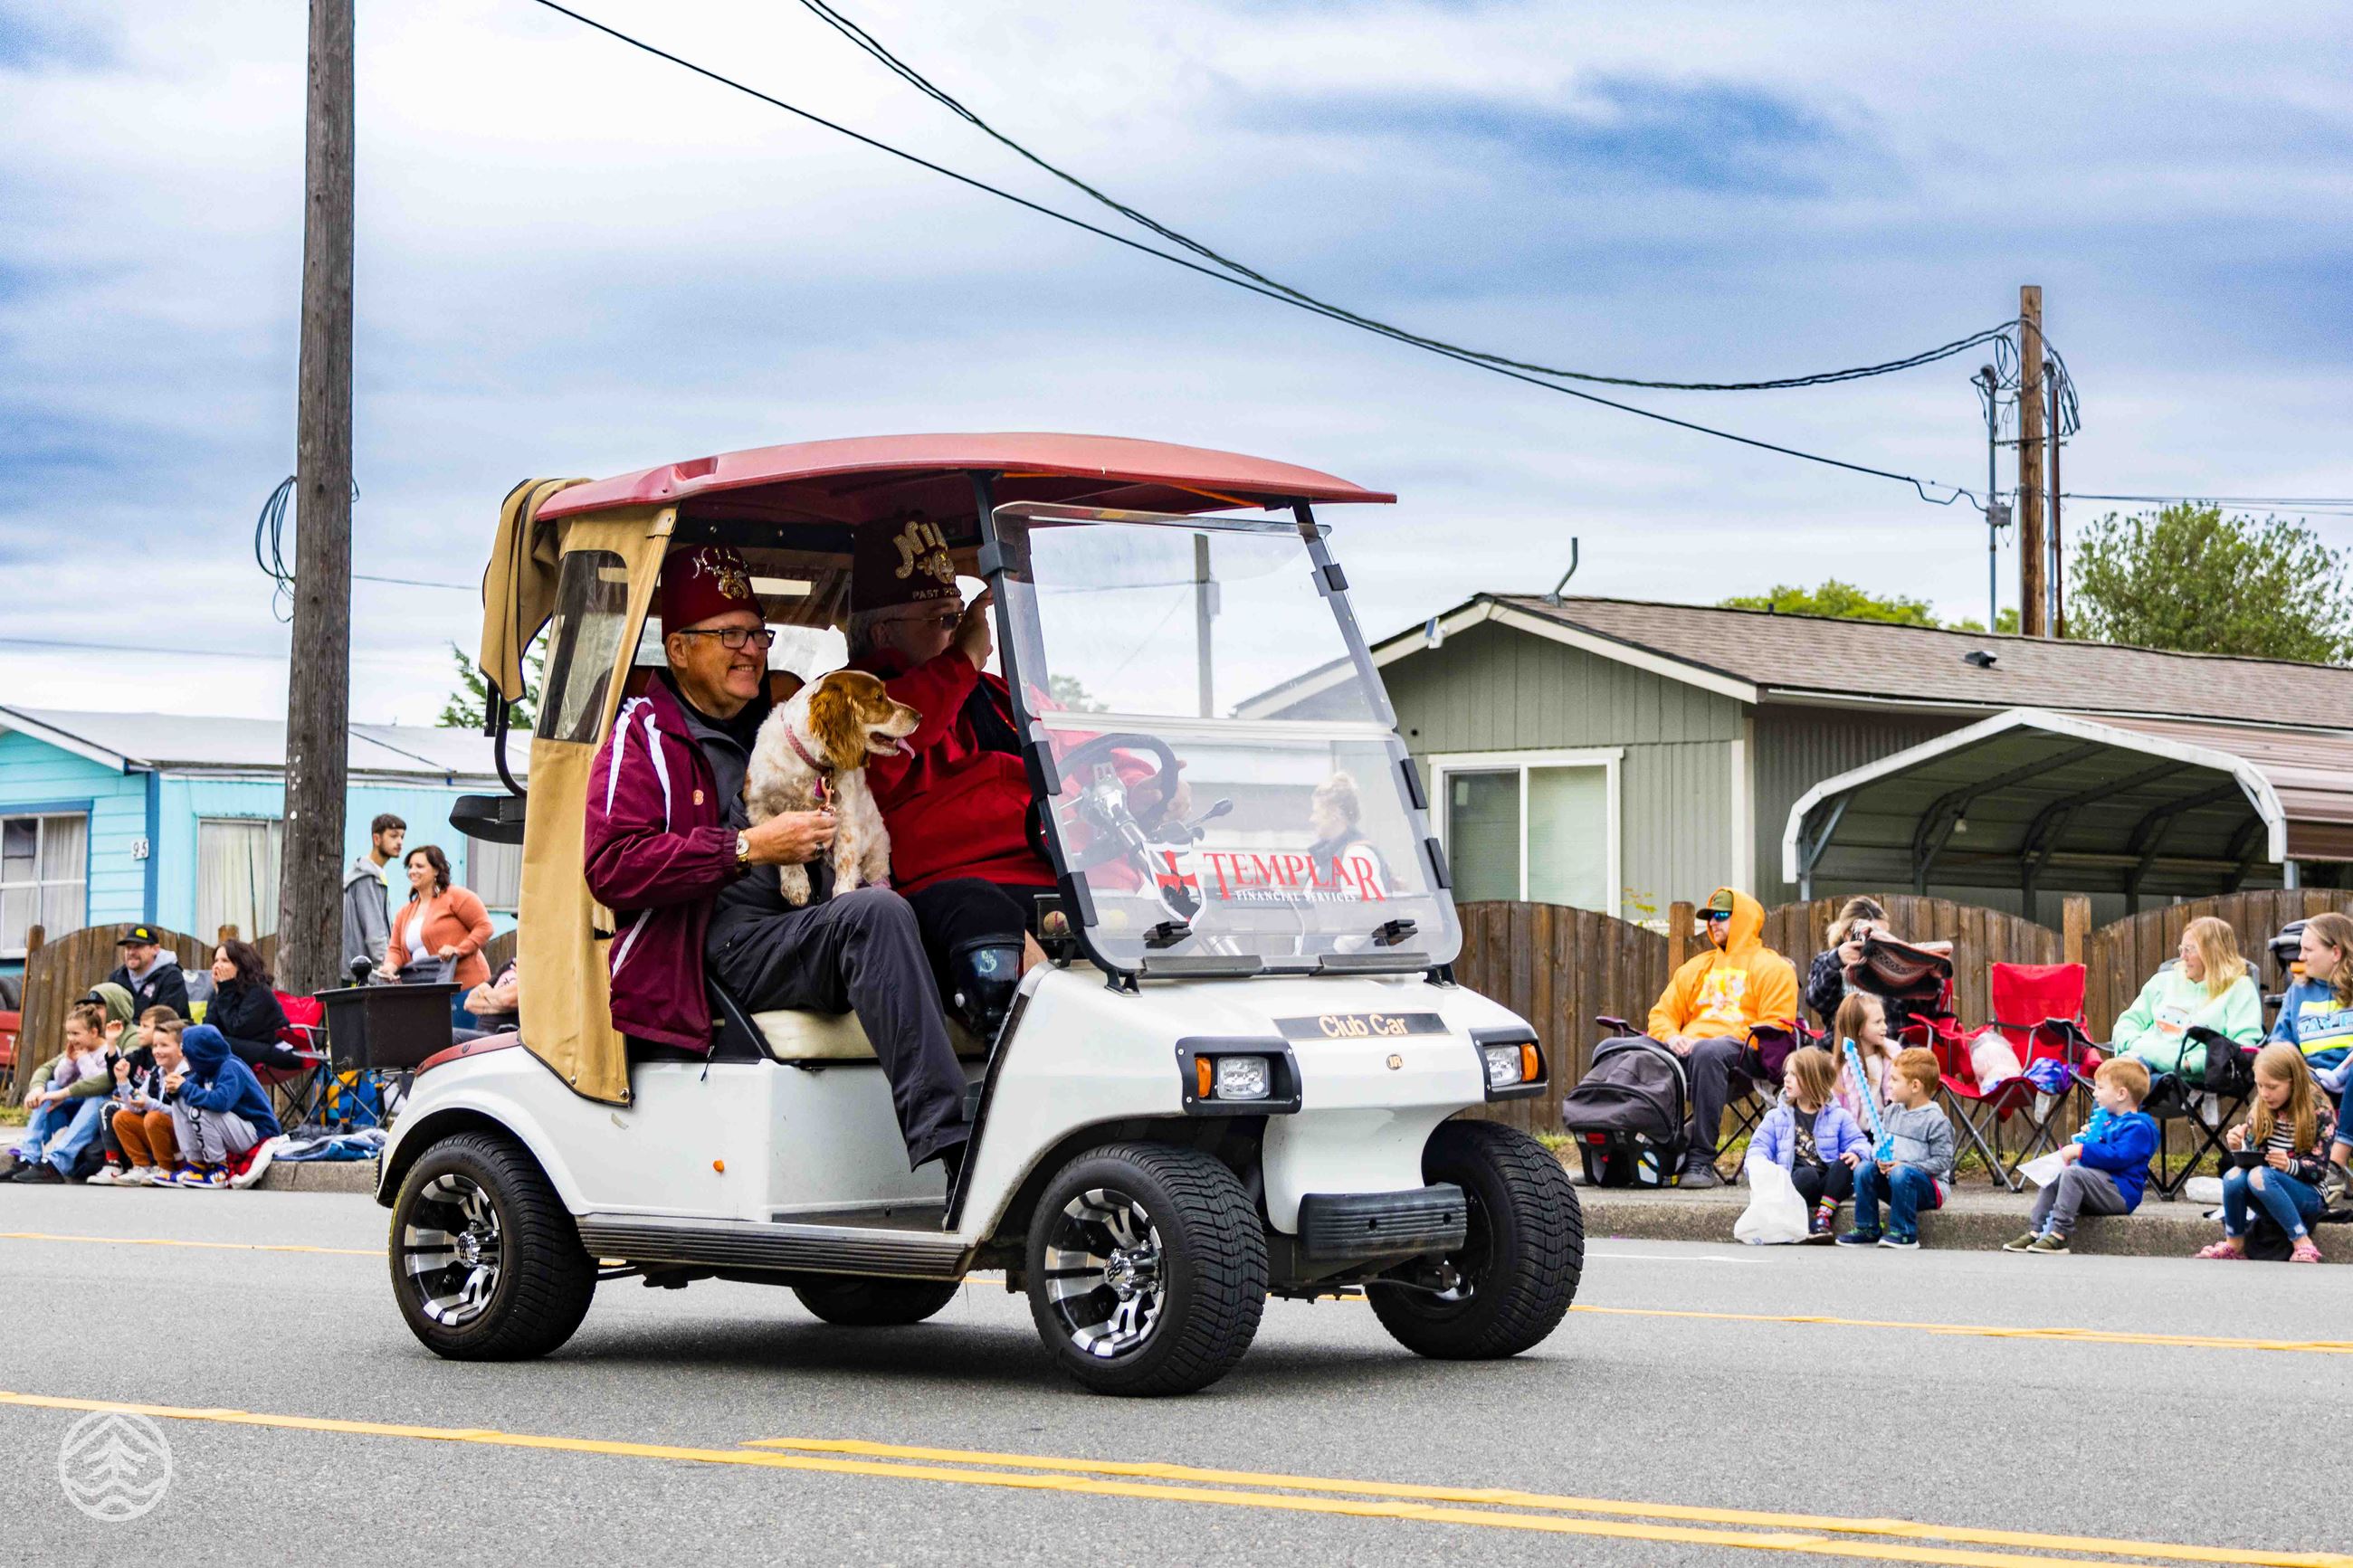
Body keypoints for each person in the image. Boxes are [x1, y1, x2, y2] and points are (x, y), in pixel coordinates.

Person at [584, 543, 970, 1174]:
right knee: (875, 915)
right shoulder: (644, 734)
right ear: (678, 649)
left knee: (955, 905)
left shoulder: (786, 723)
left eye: (758, 634)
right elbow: (613, 866)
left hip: (806, 926)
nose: (750, 651)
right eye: (728, 634)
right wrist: (747, 846)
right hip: (715, 946)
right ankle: (955, 1149)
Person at [843, 517, 1057, 1035]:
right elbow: (890, 746)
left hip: (1045, 874)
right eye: (943, 620)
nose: (961, 632)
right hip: (941, 895)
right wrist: (962, 659)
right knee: (983, 913)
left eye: (961, 618)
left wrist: (1144, 776)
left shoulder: (992, 693)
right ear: (883, 632)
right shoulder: (851, 704)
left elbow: (1070, 739)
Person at [1629, 887, 1799, 1188]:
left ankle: (1700, 1160)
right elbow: (1662, 1014)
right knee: (1619, 1050)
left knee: (1709, 1051)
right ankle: (1619, 1154)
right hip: (1683, 1054)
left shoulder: (1772, 967)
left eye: (1721, 916)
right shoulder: (1696, 967)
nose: (1713, 923)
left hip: (1742, 1056)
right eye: (1709, 918)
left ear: (1744, 919)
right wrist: (1670, 1037)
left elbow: (1775, 1024)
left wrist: (1706, 1042)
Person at [2003, 1057, 2158, 1256]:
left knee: (2074, 1174)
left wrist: (2082, 1150)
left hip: (2120, 1194)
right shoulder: (2109, 1122)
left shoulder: (2138, 1127)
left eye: (2101, 1088)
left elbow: (2118, 1157)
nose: (2095, 1093)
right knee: (2057, 1175)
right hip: (2100, 1188)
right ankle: (2036, 1231)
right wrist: (2090, 1140)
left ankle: (2059, 1235)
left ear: (2121, 1094)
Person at [2196, 1044, 2336, 1263]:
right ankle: (2235, 1242)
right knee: (2233, 1176)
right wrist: (2239, 1146)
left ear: (2293, 1082)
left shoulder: (2319, 1112)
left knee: (2260, 1176)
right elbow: (2254, 1157)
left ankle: (2301, 1241)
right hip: (2265, 1185)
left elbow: (2319, 1170)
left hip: (2307, 1193)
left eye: (2272, 1086)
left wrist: (2290, 1165)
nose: (2264, 1093)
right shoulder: (2261, 1108)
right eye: (2259, 1085)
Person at [1744, 1045, 1870, 1241]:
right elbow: (1758, 1148)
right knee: (1807, 1174)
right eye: (1787, 1073)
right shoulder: (1776, 1117)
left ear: (1813, 1080)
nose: (1786, 1079)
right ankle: (1789, 1216)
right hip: (1797, 1183)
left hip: (1830, 1187)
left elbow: (1860, 1143)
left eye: (1794, 1074)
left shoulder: (1838, 1116)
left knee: (1845, 1164)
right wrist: (1759, 1167)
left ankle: (1822, 1218)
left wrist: (1857, 1153)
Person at [2114, 916, 2263, 1080]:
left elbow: (2243, 1044)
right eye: (2181, 949)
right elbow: (2127, 1023)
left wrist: (2191, 1064)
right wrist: (2134, 1045)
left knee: (2124, 1085)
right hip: (2138, 1062)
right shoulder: (2162, 982)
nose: (2183, 957)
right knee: (2116, 1080)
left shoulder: (2239, 988)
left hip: (2188, 1076)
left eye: (2190, 949)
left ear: (2213, 951)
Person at [1837, 1048, 1956, 1250]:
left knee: (1902, 1172)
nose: (1889, 1085)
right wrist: (1879, 1161)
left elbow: (1942, 1162)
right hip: (1895, 1180)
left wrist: (1905, 1166)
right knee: (1864, 1169)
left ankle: (1904, 1232)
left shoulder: (1936, 1121)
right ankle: (1867, 1228)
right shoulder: (1892, 1112)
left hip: (1928, 1189)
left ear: (1915, 1085)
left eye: (1894, 1080)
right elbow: (1879, 1143)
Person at [167, 1023, 283, 1189]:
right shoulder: (206, 1069)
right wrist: (173, 1090)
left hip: (257, 1132)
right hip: (235, 1129)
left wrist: (184, 1087)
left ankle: (220, 1168)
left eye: (187, 1054)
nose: (184, 1058)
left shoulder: (231, 1068)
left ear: (201, 1054)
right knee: (180, 1100)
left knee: (201, 1110)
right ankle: (195, 1164)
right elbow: (186, 1090)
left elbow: (220, 1102)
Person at [8, 1002, 114, 1183]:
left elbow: (98, 1084)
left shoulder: (107, 1051)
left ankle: (56, 1163)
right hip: (74, 1105)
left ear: (94, 1032)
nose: (71, 1038)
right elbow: (60, 1080)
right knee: (50, 1087)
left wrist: (83, 1060)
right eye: (69, 1033)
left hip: (94, 1109)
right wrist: (69, 1061)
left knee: (97, 1098)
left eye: (76, 1033)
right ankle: (28, 1156)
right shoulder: (77, 1049)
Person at [386, 844, 495, 991]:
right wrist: (389, 967)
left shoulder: (456, 896)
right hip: (428, 990)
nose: (413, 871)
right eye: (410, 867)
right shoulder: (404, 912)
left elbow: (485, 927)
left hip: (466, 987)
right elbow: (396, 950)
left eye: (419, 866)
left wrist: (458, 950)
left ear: (436, 870)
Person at [100, 1013, 185, 1187]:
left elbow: (181, 1114)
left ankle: (166, 1168)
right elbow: (134, 1106)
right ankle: (142, 1166)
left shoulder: (186, 1073)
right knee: (122, 1117)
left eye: (164, 1045)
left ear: (181, 1048)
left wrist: (148, 1104)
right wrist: (123, 1081)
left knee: (153, 1117)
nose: (157, 1051)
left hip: (183, 1139)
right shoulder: (157, 1072)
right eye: (155, 1045)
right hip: (164, 1132)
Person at [2271, 911, 2353, 1081]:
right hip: (2310, 1079)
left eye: (2308, 950)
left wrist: (2343, 1074)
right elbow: (2279, 1041)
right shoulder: (2298, 990)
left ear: (2336, 953)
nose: (2300, 957)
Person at [205, 939, 299, 1072]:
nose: (217, 966)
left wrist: (224, 991)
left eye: (225, 961)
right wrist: (218, 993)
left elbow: (238, 1029)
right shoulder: (225, 990)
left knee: (214, 1043)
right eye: (216, 960)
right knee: (203, 1039)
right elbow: (209, 1028)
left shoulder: (259, 990)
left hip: (277, 1049)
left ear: (241, 964)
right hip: (246, 1048)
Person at [1802, 897, 1892, 1029]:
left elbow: (1916, 1013)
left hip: (1890, 1043)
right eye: (1874, 934)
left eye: (1884, 934)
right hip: (1842, 1043)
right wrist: (1836, 960)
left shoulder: (1893, 961)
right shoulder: (1827, 961)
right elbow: (1816, 1001)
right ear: (1849, 935)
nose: (1881, 940)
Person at [343, 812, 405, 982]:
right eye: (393, 836)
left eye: (402, 836)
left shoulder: (375, 874)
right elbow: (375, 932)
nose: (399, 842)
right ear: (376, 839)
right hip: (360, 975)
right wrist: (387, 966)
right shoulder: (366, 877)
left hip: (364, 973)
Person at [1830, 992, 1896, 1128]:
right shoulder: (1841, 1067)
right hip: (1854, 1135)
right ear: (1858, 1027)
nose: (1885, 1027)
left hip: (1886, 1130)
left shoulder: (1892, 1055)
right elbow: (1835, 1110)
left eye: (1884, 1020)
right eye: (1877, 1022)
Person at [105, 926, 190, 1020]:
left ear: (155, 949)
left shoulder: (171, 977)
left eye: (138, 947)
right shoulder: (117, 978)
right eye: (128, 947)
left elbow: (166, 1020)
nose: (131, 952)